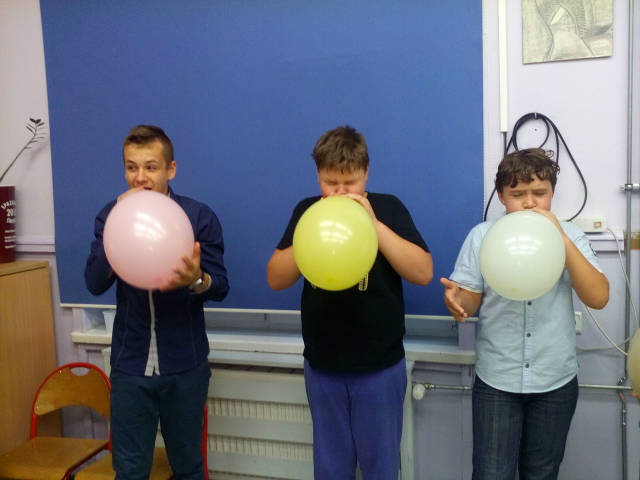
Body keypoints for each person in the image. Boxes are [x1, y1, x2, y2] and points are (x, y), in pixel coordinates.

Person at [267, 125, 433, 479]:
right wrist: (311, 230)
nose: (340, 193)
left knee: (381, 468)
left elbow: (423, 272)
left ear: (366, 172)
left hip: (380, 367)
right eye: (330, 183)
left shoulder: (388, 207)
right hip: (323, 366)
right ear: (317, 175)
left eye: (350, 182)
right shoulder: (307, 210)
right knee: (331, 469)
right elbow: (275, 279)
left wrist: (374, 225)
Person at [441, 148, 609, 480]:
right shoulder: (482, 236)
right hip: (497, 380)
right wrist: (457, 300)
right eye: (518, 195)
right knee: (491, 473)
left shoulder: (571, 235)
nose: (530, 203)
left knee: (542, 473)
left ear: (552, 194)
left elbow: (599, 297)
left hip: (555, 380)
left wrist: (561, 239)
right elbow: (470, 301)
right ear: (502, 196)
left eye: (539, 193)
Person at [85, 125, 228, 479]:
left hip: (186, 366)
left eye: (151, 167)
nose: (140, 177)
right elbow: (93, 283)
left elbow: (221, 286)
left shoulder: (198, 217)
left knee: (188, 468)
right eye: (131, 167)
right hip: (130, 367)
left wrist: (196, 279)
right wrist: (116, 230)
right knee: (130, 470)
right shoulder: (110, 215)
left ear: (170, 169)